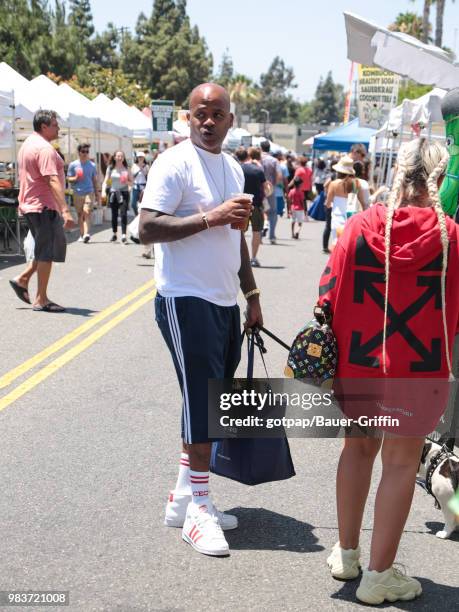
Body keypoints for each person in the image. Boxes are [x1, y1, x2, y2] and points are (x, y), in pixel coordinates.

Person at [320, 138, 459, 605]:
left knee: (356, 452)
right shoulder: (450, 237)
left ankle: (346, 553)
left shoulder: (359, 227)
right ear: (439, 180)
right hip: (416, 372)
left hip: (358, 364)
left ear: (398, 174)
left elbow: (328, 291)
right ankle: (380, 576)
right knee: (400, 465)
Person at [139, 83, 263, 557]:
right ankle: (200, 510)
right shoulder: (174, 163)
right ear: (187, 119)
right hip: (183, 297)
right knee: (204, 402)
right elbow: (146, 227)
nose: (208, 121)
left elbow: (236, 238)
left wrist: (251, 294)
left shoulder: (232, 167)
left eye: (217, 114)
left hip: (223, 299)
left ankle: (183, 497)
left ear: (231, 120)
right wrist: (210, 217)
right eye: (200, 114)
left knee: (208, 401)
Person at [9, 110, 75, 312]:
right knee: (46, 252)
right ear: (44, 126)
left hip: (33, 205)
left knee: (46, 248)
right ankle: (41, 299)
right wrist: (65, 210)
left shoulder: (28, 144)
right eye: (55, 125)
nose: (58, 128)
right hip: (44, 206)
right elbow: (51, 179)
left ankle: (23, 278)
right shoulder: (44, 149)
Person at [324, 156, 366, 250]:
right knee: (348, 245)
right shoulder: (356, 184)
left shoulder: (334, 184)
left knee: (336, 243)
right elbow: (363, 202)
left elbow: (328, 203)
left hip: (337, 217)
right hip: (351, 217)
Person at [235, 146, 266, 267]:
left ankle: (239, 257)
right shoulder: (257, 170)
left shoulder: (237, 169)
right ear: (248, 156)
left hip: (241, 204)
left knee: (239, 232)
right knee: (257, 231)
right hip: (256, 204)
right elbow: (265, 187)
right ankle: (253, 258)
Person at [67, 143, 99, 243]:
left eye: (87, 152)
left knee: (87, 212)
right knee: (80, 214)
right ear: (79, 152)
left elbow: (94, 180)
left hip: (89, 191)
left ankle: (86, 233)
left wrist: (97, 194)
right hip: (77, 192)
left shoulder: (92, 165)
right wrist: (75, 178)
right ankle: (82, 234)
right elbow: (68, 178)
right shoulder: (73, 165)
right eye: (83, 151)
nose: (85, 153)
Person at [104, 151, 132, 243]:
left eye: (121, 156)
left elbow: (132, 182)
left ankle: (124, 235)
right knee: (114, 214)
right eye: (118, 156)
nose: (120, 157)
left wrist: (127, 183)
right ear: (115, 157)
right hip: (113, 193)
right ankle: (114, 233)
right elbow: (107, 181)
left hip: (123, 193)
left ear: (123, 158)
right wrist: (105, 190)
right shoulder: (110, 168)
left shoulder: (127, 168)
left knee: (123, 214)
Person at [260, 140, 280, 244]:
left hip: (258, 189)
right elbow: (278, 175)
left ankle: (258, 236)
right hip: (270, 188)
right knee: (272, 212)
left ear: (261, 147)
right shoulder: (274, 160)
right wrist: (274, 184)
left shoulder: (258, 159)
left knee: (259, 212)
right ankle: (272, 236)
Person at [130, 151, 149, 217]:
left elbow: (147, 176)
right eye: (139, 157)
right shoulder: (134, 166)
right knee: (133, 203)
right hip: (135, 186)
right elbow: (132, 176)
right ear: (137, 158)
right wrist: (139, 170)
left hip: (143, 186)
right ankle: (137, 215)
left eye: (142, 157)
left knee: (143, 203)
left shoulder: (146, 166)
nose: (140, 159)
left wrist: (143, 169)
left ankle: (142, 216)